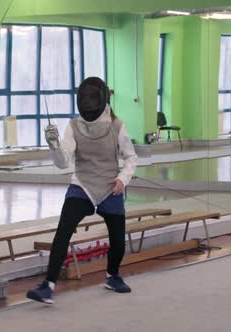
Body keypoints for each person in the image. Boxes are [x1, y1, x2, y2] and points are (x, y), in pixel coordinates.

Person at [26, 77, 140, 304]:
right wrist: (54, 145)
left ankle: (113, 276)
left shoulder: (116, 126)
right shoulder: (74, 126)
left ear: (102, 99)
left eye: (91, 98)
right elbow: (63, 162)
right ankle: (48, 286)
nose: (87, 103)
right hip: (83, 185)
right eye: (84, 98)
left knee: (118, 238)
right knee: (63, 231)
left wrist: (122, 179)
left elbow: (131, 157)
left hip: (110, 186)